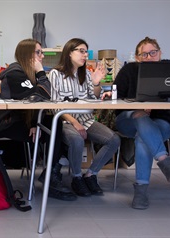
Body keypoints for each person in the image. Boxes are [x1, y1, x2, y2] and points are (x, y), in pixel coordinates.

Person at [0, 38, 77, 201]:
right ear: (27, 55)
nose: (42, 56)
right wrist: (40, 73)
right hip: (7, 123)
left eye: (42, 52)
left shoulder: (25, 73)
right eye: (38, 52)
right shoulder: (15, 73)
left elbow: (34, 102)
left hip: (23, 120)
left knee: (55, 122)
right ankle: (51, 175)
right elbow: (41, 97)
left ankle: (51, 172)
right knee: (54, 126)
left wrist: (33, 123)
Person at [114, 36, 170, 209]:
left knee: (142, 138)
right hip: (128, 120)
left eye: (153, 53)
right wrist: (140, 105)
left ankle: (141, 191)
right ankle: (164, 160)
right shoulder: (129, 70)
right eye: (144, 55)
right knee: (139, 115)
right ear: (137, 57)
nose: (149, 57)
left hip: (161, 123)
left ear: (160, 53)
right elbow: (117, 97)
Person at [49, 38, 120, 197]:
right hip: (65, 120)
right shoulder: (55, 74)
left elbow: (94, 100)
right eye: (81, 51)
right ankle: (76, 178)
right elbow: (55, 105)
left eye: (86, 52)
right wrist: (75, 123)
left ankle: (90, 175)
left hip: (86, 120)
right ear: (69, 53)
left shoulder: (86, 73)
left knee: (113, 140)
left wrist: (96, 83)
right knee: (77, 139)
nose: (85, 55)